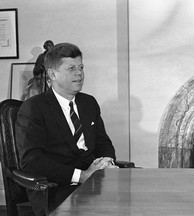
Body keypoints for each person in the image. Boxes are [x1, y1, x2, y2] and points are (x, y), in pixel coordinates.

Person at [15, 43, 117, 215]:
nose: (79, 73)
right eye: (71, 68)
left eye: (81, 67)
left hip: (95, 180)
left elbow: (102, 141)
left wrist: (107, 161)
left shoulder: (89, 103)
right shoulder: (34, 108)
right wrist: (82, 176)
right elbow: (31, 160)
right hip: (57, 187)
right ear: (53, 74)